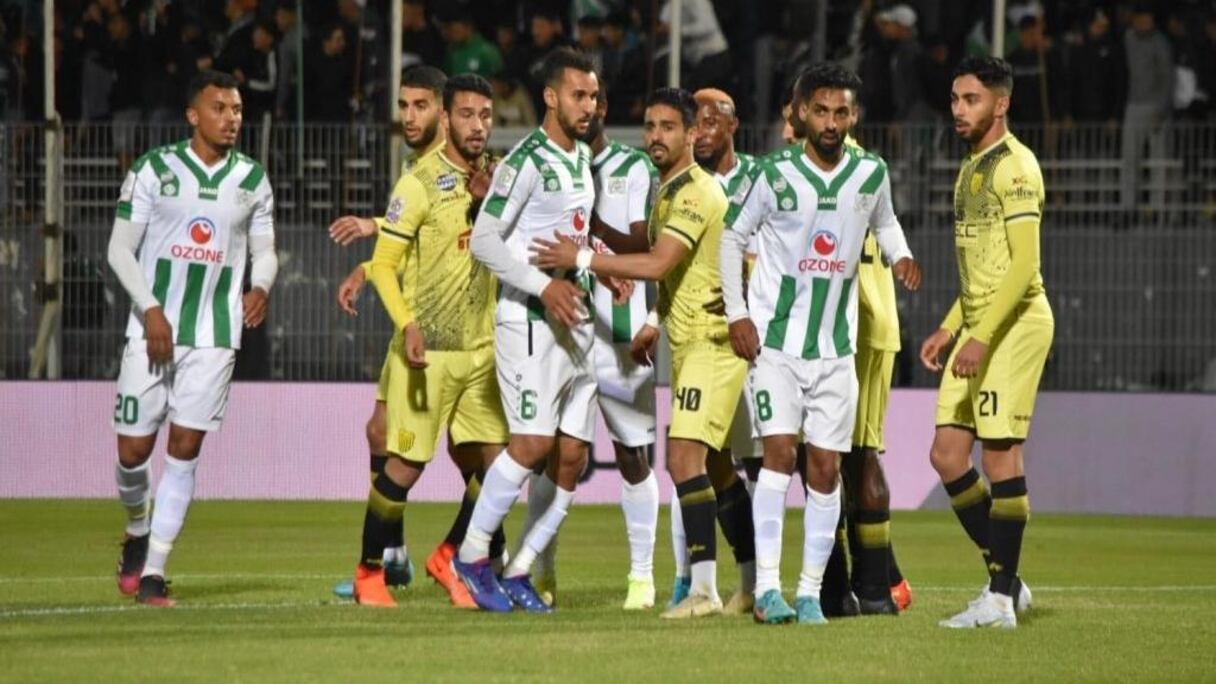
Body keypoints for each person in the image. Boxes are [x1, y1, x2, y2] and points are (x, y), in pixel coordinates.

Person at [718, 63, 920, 625]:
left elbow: (886, 222)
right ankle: (767, 590)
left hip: (836, 349)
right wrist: (737, 314)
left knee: (827, 470)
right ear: (801, 113)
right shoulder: (773, 174)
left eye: (841, 112)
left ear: (853, 116)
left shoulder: (870, 173)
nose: (831, 122)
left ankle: (809, 594)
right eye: (821, 111)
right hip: (776, 345)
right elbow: (732, 237)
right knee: (780, 457)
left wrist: (901, 255)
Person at [533, 87, 742, 620]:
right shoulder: (670, 192)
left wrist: (585, 258)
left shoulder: (692, 192)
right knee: (718, 468)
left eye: (668, 127)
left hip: (710, 344)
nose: (655, 136)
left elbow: (656, 264)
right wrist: (656, 320)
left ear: (691, 134)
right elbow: (674, 268)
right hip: (685, 341)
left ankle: (702, 589)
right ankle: (752, 581)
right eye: (650, 126)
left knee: (681, 458)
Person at [328, 66, 508, 607]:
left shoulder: (499, 178)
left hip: (483, 352)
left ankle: (450, 555)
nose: (477, 125)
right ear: (448, 119)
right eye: (466, 114)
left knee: (500, 467)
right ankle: (371, 572)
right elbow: (387, 264)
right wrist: (408, 323)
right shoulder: (418, 182)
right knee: (404, 464)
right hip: (430, 351)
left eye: (485, 116)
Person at [108, 70, 278, 606]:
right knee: (133, 451)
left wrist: (261, 285)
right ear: (192, 115)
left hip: (215, 334)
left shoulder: (252, 179)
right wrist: (151, 309)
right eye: (219, 108)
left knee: (185, 448)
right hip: (151, 330)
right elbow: (119, 250)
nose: (231, 119)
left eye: (237, 110)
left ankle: (155, 573)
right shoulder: (152, 170)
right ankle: (137, 528)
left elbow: (265, 250)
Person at [453, 47, 600, 614]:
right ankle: (472, 558)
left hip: (576, 319)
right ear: (551, 97)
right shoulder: (526, 161)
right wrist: (544, 287)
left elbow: (571, 230)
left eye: (593, 96)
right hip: (531, 321)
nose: (589, 106)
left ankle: (519, 569)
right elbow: (485, 240)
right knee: (533, 444)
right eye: (578, 95)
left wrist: (601, 263)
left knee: (572, 458)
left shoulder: (581, 156)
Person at [922, 55, 1051, 629]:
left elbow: (1023, 268)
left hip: (1015, 326)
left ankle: (999, 602)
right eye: (954, 98)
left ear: (1001, 104)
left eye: (970, 99)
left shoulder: (1016, 167)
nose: (958, 109)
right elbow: (983, 269)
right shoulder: (971, 166)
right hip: (978, 325)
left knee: (1000, 456)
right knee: (947, 455)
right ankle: (1008, 580)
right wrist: (951, 326)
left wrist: (978, 336)